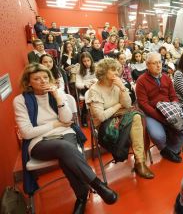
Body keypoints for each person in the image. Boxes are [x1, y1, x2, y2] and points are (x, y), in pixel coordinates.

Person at [13, 64, 118, 214]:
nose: (43, 81)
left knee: (66, 156)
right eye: (37, 79)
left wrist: (57, 97)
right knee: (65, 148)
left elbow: (68, 119)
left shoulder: (58, 93)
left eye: (45, 77)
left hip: (66, 132)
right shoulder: (20, 100)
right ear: (28, 82)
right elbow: (27, 132)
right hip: (39, 141)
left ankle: (81, 197)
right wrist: (55, 124)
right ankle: (98, 185)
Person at [87, 58, 154, 179]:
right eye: (113, 70)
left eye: (117, 70)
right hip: (105, 125)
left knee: (137, 116)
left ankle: (140, 162)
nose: (116, 73)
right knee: (135, 118)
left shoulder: (117, 84)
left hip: (121, 116)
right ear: (103, 71)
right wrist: (118, 105)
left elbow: (128, 105)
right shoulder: (94, 90)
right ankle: (140, 161)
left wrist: (122, 88)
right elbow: (102, 117)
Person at [136, 52, 183, 163]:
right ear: (147, 65)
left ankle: (170, 149)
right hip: (152, 113)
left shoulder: (166, 78)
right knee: (158, 136)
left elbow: (173, 97)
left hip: (169, 110)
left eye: (159, 62)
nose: (159, 65)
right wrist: (163, 119)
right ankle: (164, 148)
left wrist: (175, 107)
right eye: (155, 63)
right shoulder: (141, 81)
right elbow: (143, 105)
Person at [76, 52, 97, 127]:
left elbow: (100, 78)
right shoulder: (79, 70)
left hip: (95, 86)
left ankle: (97, 114)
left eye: (88, 60)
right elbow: (78, 84)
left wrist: (95, 82)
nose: (86, 63)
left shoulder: (96, 67)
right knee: (88, 96)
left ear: (91, 60)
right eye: (84, 61)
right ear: (82, 62)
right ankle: (83, 117)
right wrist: (86, 85)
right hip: (84, 88)